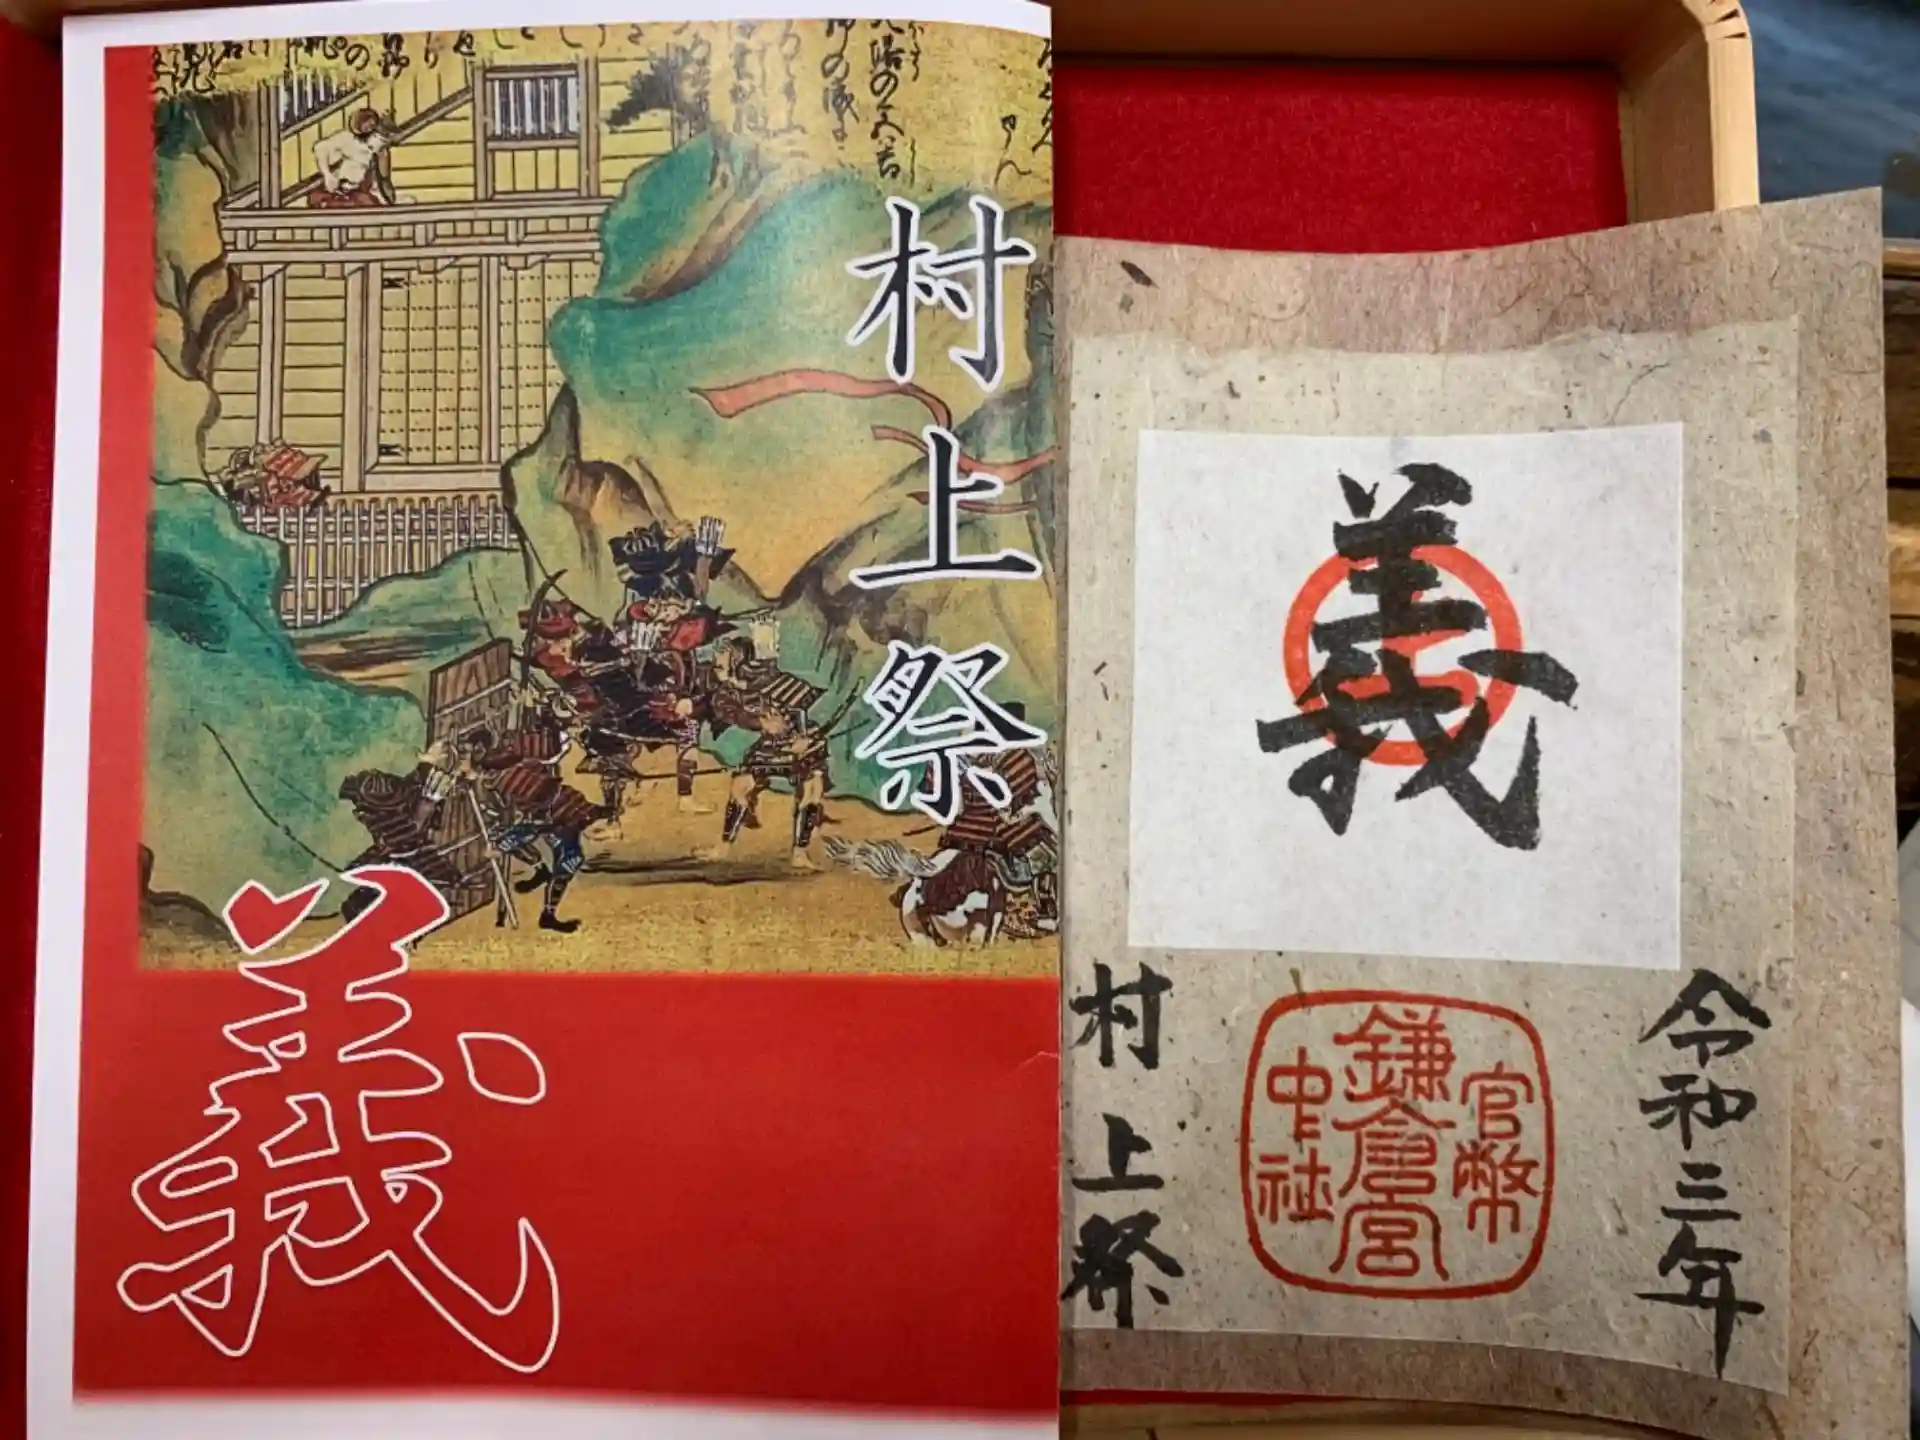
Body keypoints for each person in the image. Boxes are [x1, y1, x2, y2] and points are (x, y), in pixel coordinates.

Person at [458, 709, 609, 934]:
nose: (464, 758)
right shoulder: (491, 775)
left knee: (569, 858)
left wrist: (501, 844)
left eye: (467, 753)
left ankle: (548, 912)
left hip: (556, 810)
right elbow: (501, 810)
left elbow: (531, 820)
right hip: (551, 814)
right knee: (558, 851)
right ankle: (540, 873)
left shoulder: (504, 764)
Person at [699, 636, 829, 869]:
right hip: (771, 744)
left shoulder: (770, 680)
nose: (716, 668)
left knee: (811, 789)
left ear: (738, 662)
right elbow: (734, 715)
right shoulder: (725, 695)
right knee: (740, 786)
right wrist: (761, 723)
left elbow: (800, 704)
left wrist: (802, 738)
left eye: (721, 663)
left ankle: (800, 853)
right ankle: (723, 847)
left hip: (804, 740)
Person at [311, 109, 396, 209]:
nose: (369, 128)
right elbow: (320, 148)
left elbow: (383, 178)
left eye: (372, 126)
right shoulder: (346, 138)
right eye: (367, 125)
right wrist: (327, 175)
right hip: (337, 191)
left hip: (357, 192)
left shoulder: (377, 147)